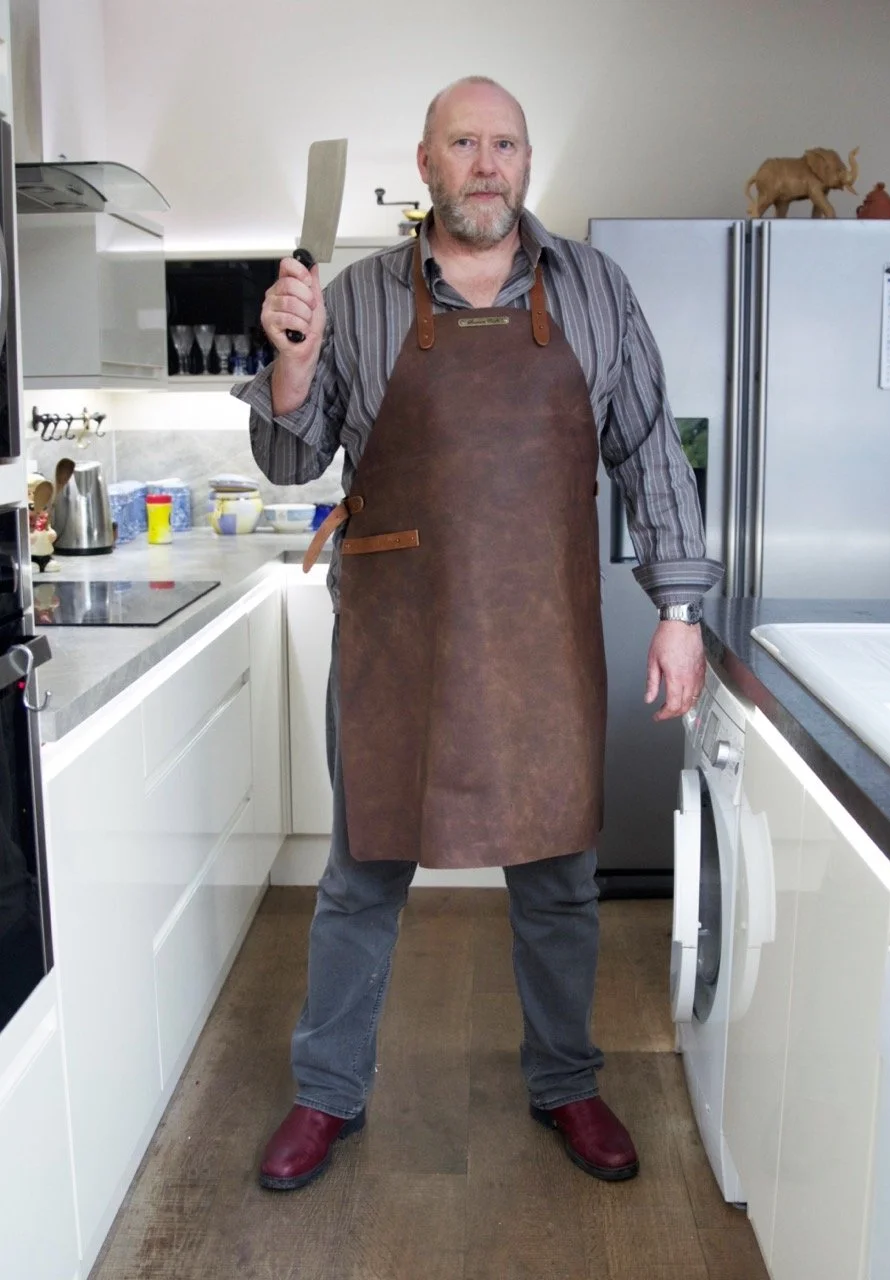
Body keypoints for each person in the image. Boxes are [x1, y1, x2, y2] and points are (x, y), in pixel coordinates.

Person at [234, 75, 722, 1192]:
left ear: (526, 161)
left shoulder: (594, 291)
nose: (488, 162)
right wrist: (293, 364)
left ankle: (567, 1079)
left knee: (558, 884)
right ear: (426, 162)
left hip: (541, 644)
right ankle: (327, 1094)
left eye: (506, 143)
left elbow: (652, 455)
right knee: (360, 880)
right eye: (466, 142)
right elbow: (287, 461)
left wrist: (680, 612)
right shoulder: (351, 298)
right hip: (396, 647)